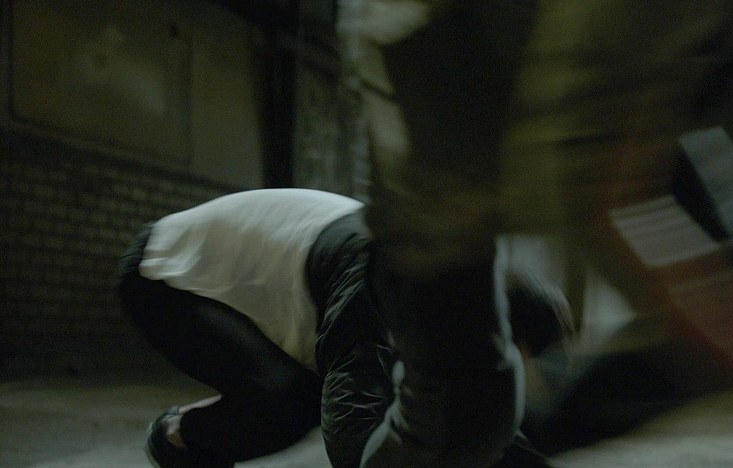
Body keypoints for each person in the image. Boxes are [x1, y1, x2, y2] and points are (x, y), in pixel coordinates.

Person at [337, 1, 733, 466]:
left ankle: (539, 421)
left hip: (590, 101)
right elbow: (603, 206)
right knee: (460, 425)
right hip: (444, 174)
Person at [116, 188, 572, 467]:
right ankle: (177, 437)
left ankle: (203, 439)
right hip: (162, 272)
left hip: (221, 270)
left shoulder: (446, 291)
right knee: (291, 400)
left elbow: (482, 423)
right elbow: (353, 431)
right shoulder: (386, 279)